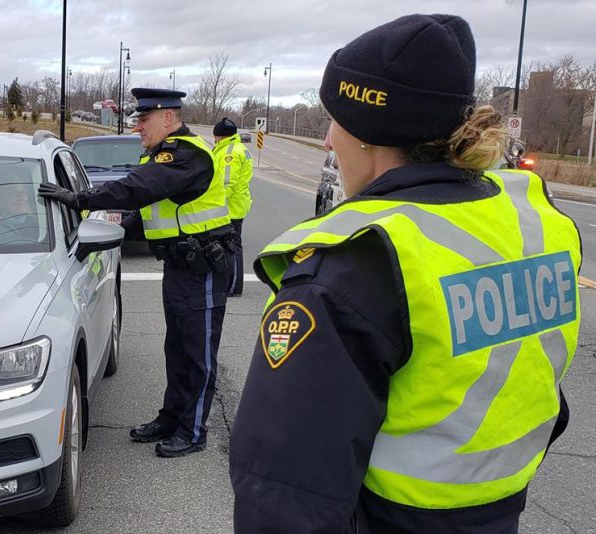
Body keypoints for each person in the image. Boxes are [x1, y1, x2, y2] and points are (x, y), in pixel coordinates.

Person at [229, 14, 581, 533]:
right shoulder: (538, 225)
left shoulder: (357, 263)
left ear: (369, 134)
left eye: (335, 121)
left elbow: (286, 494)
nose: (328, 142)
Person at [39, 88, 233, 458]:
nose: (138, 127)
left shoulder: (187, 154)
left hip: (203, 268)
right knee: (176, 349)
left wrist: (81, 199)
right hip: (180, 266)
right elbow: (152, 212)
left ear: (168, 118)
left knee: (198, 354)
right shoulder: (165, 154)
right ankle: (170, 417)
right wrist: (115, 230)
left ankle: (193, 431)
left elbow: (140, 189)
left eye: (144, 120)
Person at [212, 117, 253, 297]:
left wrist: (216, 204)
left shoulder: (229, 153)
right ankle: (230, 284)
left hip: (230, 207)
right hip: (235, 205)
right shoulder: (236, 149)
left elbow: (227, 183)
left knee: (233, 246)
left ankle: (234, 286)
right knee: (230, 245)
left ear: (220, 136)